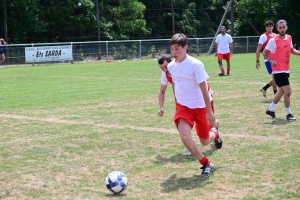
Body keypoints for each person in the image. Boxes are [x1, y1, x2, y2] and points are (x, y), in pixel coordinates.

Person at [167, 33, 222, 178]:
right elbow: (176, 84)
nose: (174, 52)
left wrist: (209, 112)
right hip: (183, 107)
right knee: (185, 137)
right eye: (172, 49)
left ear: (185, 48)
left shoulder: (195, 64)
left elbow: (204, 88)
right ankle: (206, 164)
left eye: (177, 48)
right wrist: (176, 104)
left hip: (200, 107)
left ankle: (215, 133)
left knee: (204, 141)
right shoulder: (171, 66)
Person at [157, 54, 219, 156]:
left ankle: (215, 130)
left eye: (165, 67)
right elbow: (162, 91)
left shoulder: (184, 67)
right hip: (186, 102)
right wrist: (162, 107)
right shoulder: (167, 72)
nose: (164, 70)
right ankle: (191, 146)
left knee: (209, 126)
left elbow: (201, 85)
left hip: (203, 98)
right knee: (182, 123)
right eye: (161, 68)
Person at [263, 19, 300, 120]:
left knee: (281, 92)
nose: (282, 29)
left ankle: (270, 110)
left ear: (286, 27)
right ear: (277, 28)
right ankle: (289, 114)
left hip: (286, 69)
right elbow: (264, 53)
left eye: (284, 27)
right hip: (278, 70)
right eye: (280, 27)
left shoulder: (289, 38)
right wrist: (271, 61)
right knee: (288, 91)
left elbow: (291, 50)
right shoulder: (273, 40)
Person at [256, 20, 277, 98]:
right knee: (275, 77)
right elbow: (258, 49)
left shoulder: (276, 36)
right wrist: (257, 61)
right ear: (265, 27)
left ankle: (264, 88)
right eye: (268, 26)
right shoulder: (263, 36)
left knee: (277, 77)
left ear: (273, 27)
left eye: (271, 26)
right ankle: (276, 95)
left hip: (275, 59)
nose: (269, 27)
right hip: (268, 59)